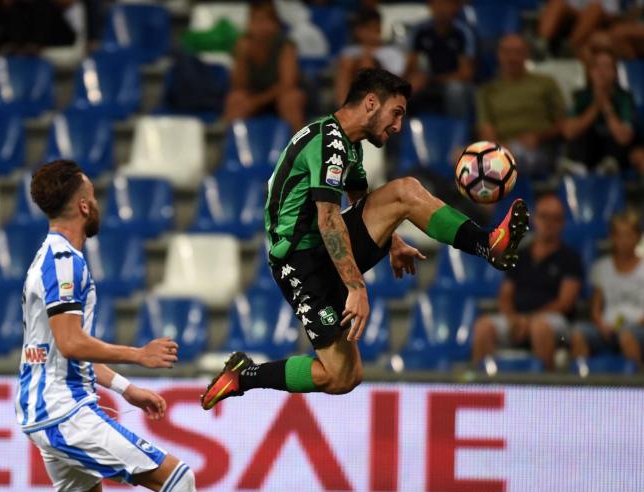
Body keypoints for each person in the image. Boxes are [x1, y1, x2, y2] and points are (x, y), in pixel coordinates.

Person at [0, 160, 298, 492]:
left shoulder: (53, 256)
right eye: (95, 195)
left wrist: (126, 388)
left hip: (47, 406)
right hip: (62, 409)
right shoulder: (63, 262)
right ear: (85, 205)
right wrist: (139, 355)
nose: (99, 204)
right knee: (176, 477)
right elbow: (71, 344)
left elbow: (57, 345)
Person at [201, 68, 529, 409]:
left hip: (320, 251)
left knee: (404, 192)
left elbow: (361, 199)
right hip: (300, 263)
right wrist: (356, 287)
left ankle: (488, 243)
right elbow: (328, 219)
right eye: (396, 113)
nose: (398, 126)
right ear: (371, 102)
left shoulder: (349, 145)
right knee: (342, 376)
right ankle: (243, 377)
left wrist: (393, 240)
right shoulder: (328, 142)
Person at [471, 194, 584, 371]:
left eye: (555, 219)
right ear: (535, 219)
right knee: (483, 326)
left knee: (540, 327)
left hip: (553, 321)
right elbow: (505, 295)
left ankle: (543, 391)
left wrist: (529, 320)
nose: (548, 223)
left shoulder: (570, 258)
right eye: (544, 216)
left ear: (562, 223)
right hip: (517, 318)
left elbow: (565, 302)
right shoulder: (520, 254)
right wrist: (514, 319)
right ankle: (483, 390)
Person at [476, 34, 566, 177]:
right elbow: (485, 128)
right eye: (507, 52)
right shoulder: (487, 91)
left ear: (526, 55)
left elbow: (563, 123)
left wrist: (539, 136)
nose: (512, 58)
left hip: (539, 148)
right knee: (458, 156)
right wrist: (500, 148)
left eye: (517, 52)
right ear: (499, 55)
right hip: (502, 148)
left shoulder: (545, 83)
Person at [570, 211, 644, 368]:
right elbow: (596, 309)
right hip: (607, 329)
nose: (624, 240)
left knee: (627, 334)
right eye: (619, 235)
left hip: (638, 328)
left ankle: (637, 385)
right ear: (612, 237)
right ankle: (582, 384)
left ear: (638, 237)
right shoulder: (601, 267)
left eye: (628, 235)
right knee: (578, 333)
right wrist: (600, 324)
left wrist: (637, 324)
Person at [223, 0, 306, 132]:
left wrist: (256, 102)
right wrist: (242, 57)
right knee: (235, 99)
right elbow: (238, 85)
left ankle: (301, 146)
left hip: (277, 97)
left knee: (291, 99)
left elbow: (287, 84)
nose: (259, 26)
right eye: (254, 21)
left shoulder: (286, 46)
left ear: (275, 24)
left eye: (263, 21)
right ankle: (229, 148)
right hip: (252, 97)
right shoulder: (243, 44)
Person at [562, 48, 637, 173]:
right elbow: (569, 132)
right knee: (585, 130)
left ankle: (607, 166)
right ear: (590, 72)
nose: (601, 72)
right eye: (597, 67)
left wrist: (605, 104)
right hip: (585, 152)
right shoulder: (579, 96)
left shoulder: (624, 98)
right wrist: (597, 105)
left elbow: (623, 137)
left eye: (607, 67)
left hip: (614, 154)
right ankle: (579, 166)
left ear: (615, 72)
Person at [404, 0, 476, 120]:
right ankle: (402, 132)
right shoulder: (419, 31)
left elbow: (466, 74)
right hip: (426, 81)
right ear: (430, 6)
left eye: (446, 3)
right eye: (438, 3)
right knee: (406, 87)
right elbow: (410, 66)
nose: (442, 9)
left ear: (455, 7)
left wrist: (433, 79)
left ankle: (458, 131)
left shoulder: (463, 32)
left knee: (455, 89)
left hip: (453, 82)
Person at [334, 7, 407, 106]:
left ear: (379, 29)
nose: (368, 32)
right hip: (352, 95)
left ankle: (366, 108)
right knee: (349, 61)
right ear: (357, 30)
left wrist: (371, 59)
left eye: (372, 27)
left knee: (366, 62)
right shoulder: (349, 52)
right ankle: (343, 107)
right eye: (364, 28)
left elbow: (396, 80)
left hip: (384, 97)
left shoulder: (392, 52)